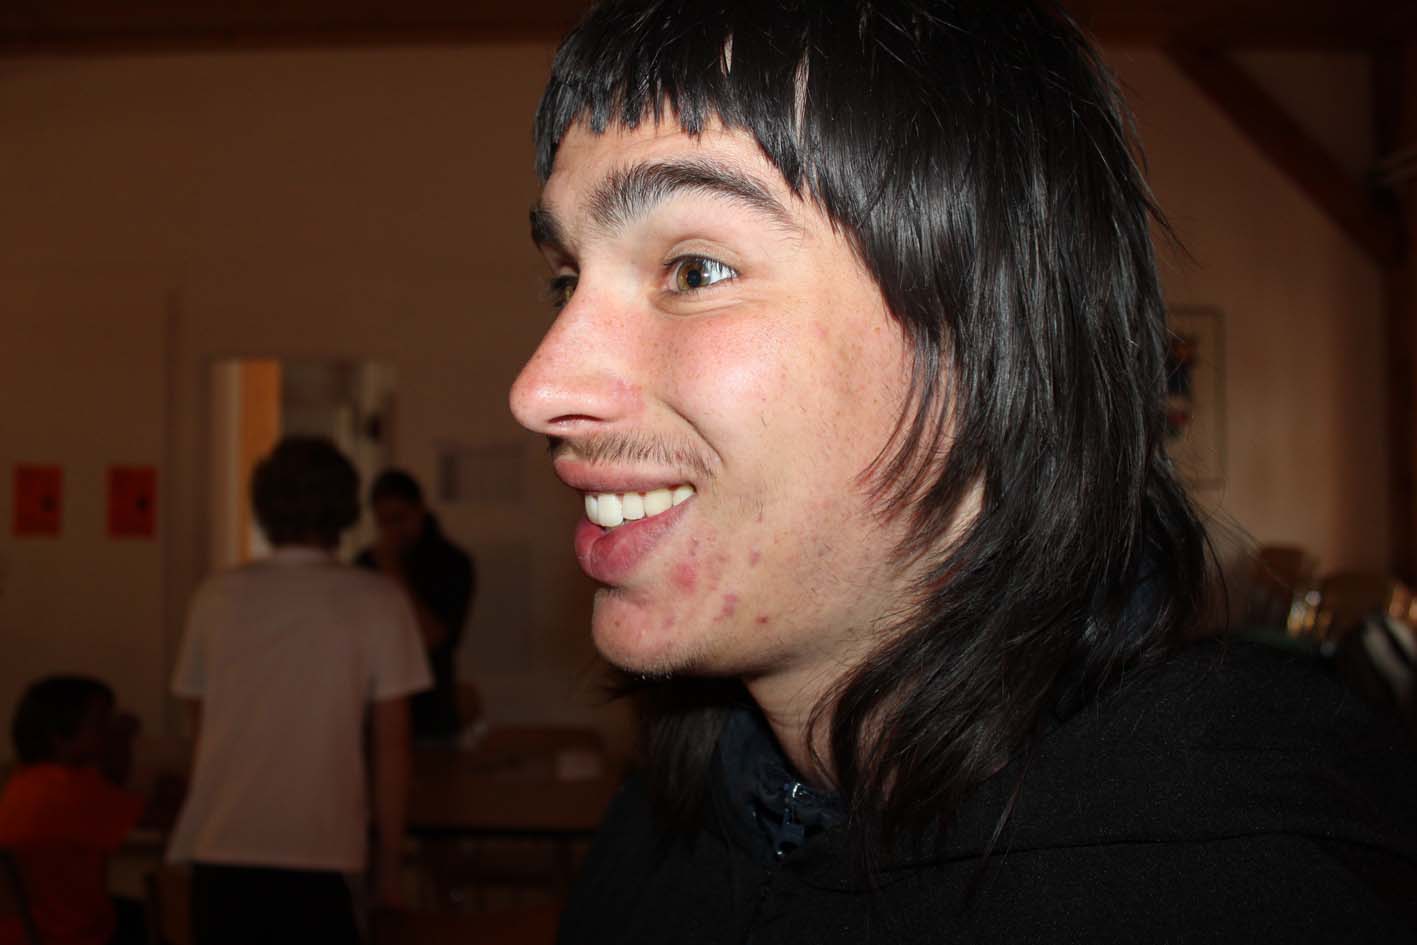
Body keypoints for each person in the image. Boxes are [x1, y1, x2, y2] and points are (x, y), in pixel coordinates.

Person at [508, 1, 1417, 941]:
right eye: (565, 279)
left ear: (998, 343)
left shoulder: (1245, 888)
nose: (538, 388)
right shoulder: (668, 826)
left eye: (695, 270)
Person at [166, 437, 430, 944]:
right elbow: (392, 749)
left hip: (220, 843)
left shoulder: (216, 597)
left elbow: (201, 734)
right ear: (346, 509)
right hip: (324, 847)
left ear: (263, 507)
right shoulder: (377, 600)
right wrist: (390, 867)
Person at [0, 677, 148, 945]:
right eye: (100, 724)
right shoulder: (73, 788)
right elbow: (158, 819)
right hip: (69, 933)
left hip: (25, 930)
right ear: (60, 736)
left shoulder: (22, 782)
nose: (108, 732)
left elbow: (111, 792)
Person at [356, 469, 477, 739]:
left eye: (399, 519)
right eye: (384, 522)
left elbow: (435, 638)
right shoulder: (366, 564)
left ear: (419, 511)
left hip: (432, 714)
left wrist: (393, 574)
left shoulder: (452, 564)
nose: (393, 531)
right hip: (375, 710)